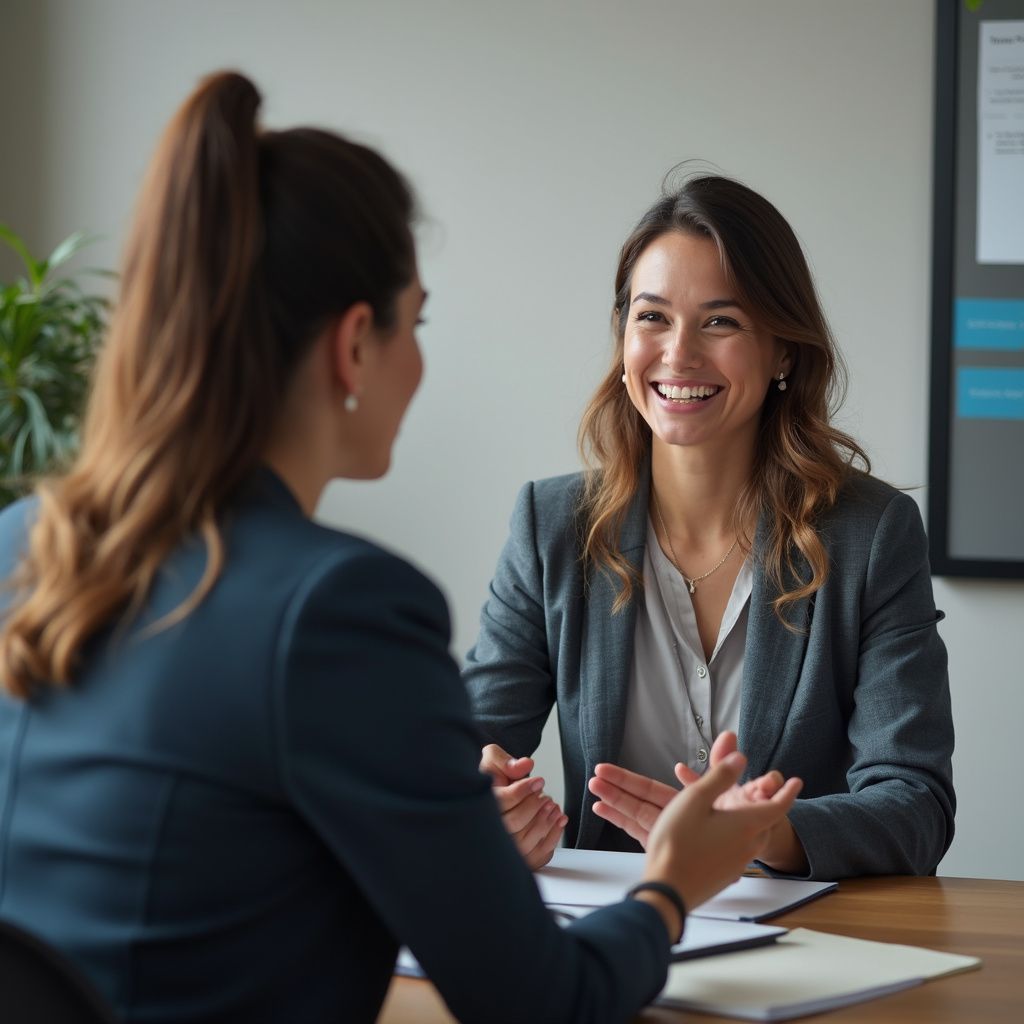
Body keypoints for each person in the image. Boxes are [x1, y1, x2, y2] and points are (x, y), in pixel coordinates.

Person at [0, 74, 803, 1024]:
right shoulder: (339, 607)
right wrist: (669, 886)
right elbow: (541, 1001)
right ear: (353, 346)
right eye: (413, 322)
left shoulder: (24, 543)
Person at [466, 174, 955, 881]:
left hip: (803, 944)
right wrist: (477, 799)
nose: (679, 353)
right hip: (602, 938)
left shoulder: (871, 534)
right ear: (623, 334)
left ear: (784, 350)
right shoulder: (552, 526)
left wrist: (764, 833)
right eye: (652, 317)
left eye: (720, 321)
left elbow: (916, 805)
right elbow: (468, 744)